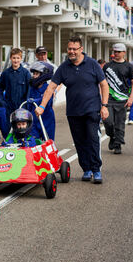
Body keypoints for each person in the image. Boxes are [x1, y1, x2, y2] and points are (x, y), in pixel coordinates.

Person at [35, 36, 109, 184]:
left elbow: (104, 85)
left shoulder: (93, 64)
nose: (72, 51)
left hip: (92, 109)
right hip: (73, 111)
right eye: (69, 49)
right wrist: (42, 106)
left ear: (81, 49)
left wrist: (104, 106)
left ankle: (96, 169)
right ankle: (86, 169)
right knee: (80, 141)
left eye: (75, 49)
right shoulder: (64, 67)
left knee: (93, 139)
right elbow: (51, 87)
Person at [102, 43, 133, 154]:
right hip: (109, 99)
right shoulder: (107, 66)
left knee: (120, 123)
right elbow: (102, 83)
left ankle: (118, 144)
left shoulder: (129, 66)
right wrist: (102, 98)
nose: (115, 53)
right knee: (108, 122)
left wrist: (131, 98)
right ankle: (112, 136)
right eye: (114, 51)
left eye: (118, 51)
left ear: (124, 53)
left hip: (123, 99)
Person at [0, 47, 31, 136]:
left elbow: (30, 90)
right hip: (9, 107)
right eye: (14, 58)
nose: (16, 60)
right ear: (11, 58)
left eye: (18, 58)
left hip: (22, 107)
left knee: (23, 129)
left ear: (21, 58)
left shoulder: (26, 73)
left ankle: (23, 145)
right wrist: (2, 102)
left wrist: (27, 104)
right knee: (9, 129)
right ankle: (11, 146)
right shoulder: (6, 74)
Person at [27, 61, 55, 140]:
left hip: (47, 119)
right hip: (34, 120)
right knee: (33, 142)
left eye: (36, 74)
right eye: (34, 74)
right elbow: (29, 105)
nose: (34, 76)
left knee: (48, 142)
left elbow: (48, 102)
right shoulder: (32, 88)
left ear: (43, 75)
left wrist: (35, 100)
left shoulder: (48, 88)